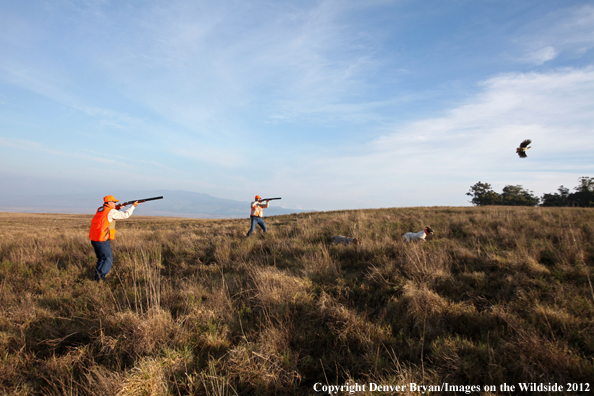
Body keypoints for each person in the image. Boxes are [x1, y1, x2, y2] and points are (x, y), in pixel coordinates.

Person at [89, 195, 140, 281]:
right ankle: (100, 278)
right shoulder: (111, 211)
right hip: (102, 239)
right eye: (114, 202)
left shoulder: (100, 209)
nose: (115, 203)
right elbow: (125, 215)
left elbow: (108, 214)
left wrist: (117, 207)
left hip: (95, 238)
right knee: (108, 259)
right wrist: (133, 206)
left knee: (101, 259)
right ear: (109, 203)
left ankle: (97, 278)